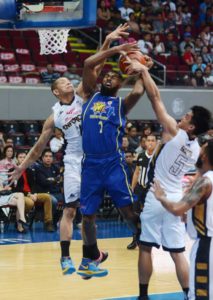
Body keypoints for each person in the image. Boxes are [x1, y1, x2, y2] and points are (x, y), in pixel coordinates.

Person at [9, 24, 136, 276]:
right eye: (65, 81)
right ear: (56, 91)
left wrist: (108, 41)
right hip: (74, 160)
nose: (70, 82)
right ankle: (65, 257)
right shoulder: (54, 116)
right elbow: (37, 148)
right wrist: (21, 167)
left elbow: (94, 66)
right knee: (70, 209)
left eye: (70, 80)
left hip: (94, 159)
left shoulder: (84, 96)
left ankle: (93, 256)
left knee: (89, 214)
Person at [125, 60, 212, 300]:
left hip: (157, 195)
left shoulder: (175, 131)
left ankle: (143, 295)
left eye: (187, 116)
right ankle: (187, 294)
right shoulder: (197, 149)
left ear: (191, 126)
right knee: (177, 252)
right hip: (177, 199)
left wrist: (144, 71)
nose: (182, 117)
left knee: (145, 247)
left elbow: (155, 98)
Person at [76, 43, 153, 278]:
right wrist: (116, 49)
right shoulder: (90, 95)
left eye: (114, 77)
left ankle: (143, 240)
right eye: (106, 76)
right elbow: (89, 64)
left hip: (112, 164)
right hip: (90, 165)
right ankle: (89, 258)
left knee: (128, 212)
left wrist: (142, 68)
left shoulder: (121, 104)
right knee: (87, 216)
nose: (109, 78)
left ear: (121, 84)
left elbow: (140, 91)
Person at [152, 139, 213, 300]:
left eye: (201, 150)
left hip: (207, 247)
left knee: (201, 294)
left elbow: (177, 209)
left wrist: (162, 197)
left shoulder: (205, 182)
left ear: (205, 156)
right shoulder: (205, 180)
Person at [127, 134, 157, 250]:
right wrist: (132, 187)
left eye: (152, 140)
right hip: (139, 188)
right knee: (134, 214)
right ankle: (135, 238)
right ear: (145, 143)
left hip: (151, 189)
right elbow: (137, 172)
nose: (150, 142)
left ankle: (148, 239)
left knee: (149, 215)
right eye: (148, 140)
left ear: (156, 143)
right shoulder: (140, 156)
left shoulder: (157, 157)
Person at [12, 151, 55, 232]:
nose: (23, 159)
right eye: (20, 157)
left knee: (47, 197)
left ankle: (48, 222)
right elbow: (15, 188)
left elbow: (33, 184)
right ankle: (22, 218)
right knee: (30, 203)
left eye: (24, 157)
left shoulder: (30, 170)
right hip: (20, 195)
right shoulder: (13, 170)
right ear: (17, 159)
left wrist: (34, 193)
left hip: (31, 194)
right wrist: (28, 194)